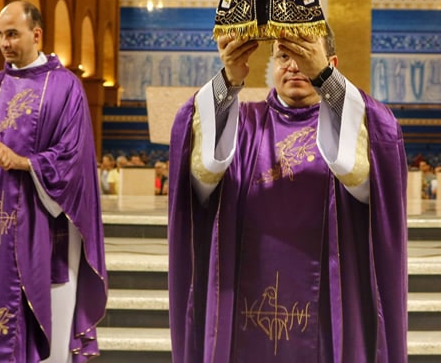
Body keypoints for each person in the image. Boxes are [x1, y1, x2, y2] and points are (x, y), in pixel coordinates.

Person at [168, 27, 408, 362]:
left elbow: (378, 158)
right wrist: (228, 78)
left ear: (331, 63)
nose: (293, 65)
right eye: (283, 56)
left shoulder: (347, 126)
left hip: (329, 301)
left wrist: (324, 77)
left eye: (304, 53)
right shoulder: (242, 124)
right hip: (246, 291)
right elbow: (199, 176)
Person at [0, 0, 107, 362]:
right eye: (0, 35)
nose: (4, 43)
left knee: (52, 336)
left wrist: (23, 162)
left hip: (46, 224)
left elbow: (74, 158)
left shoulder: (65, 87)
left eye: (12, 34)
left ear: (37, 34)